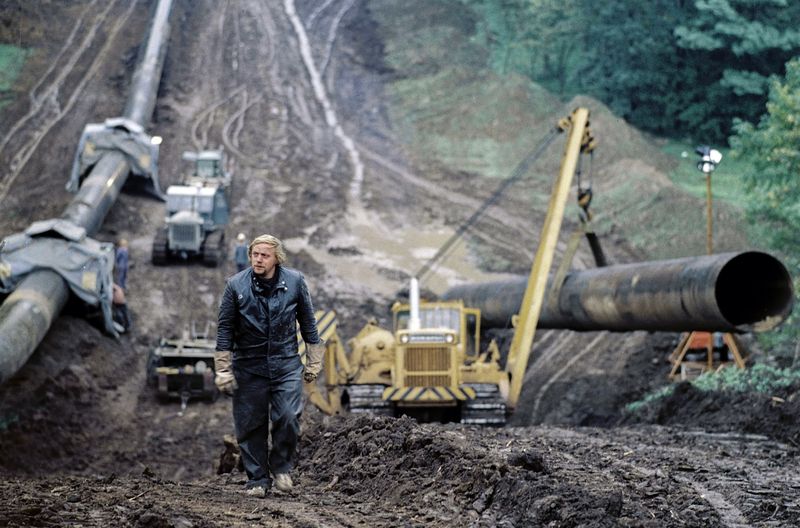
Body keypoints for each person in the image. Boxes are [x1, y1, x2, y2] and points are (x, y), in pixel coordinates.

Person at [215, 234, 325, 497]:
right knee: (251, 423)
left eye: (264, 255)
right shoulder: (235, 286)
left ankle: (282, 468)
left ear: (277, 258)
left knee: (287, 416)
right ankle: (257, 480)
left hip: (285, 363)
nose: (258, 259)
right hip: (248, 365)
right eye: (255, 254)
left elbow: (308, 324)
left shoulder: (296, 282)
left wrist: (314, 361)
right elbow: (225, 329)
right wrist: (222, 368)